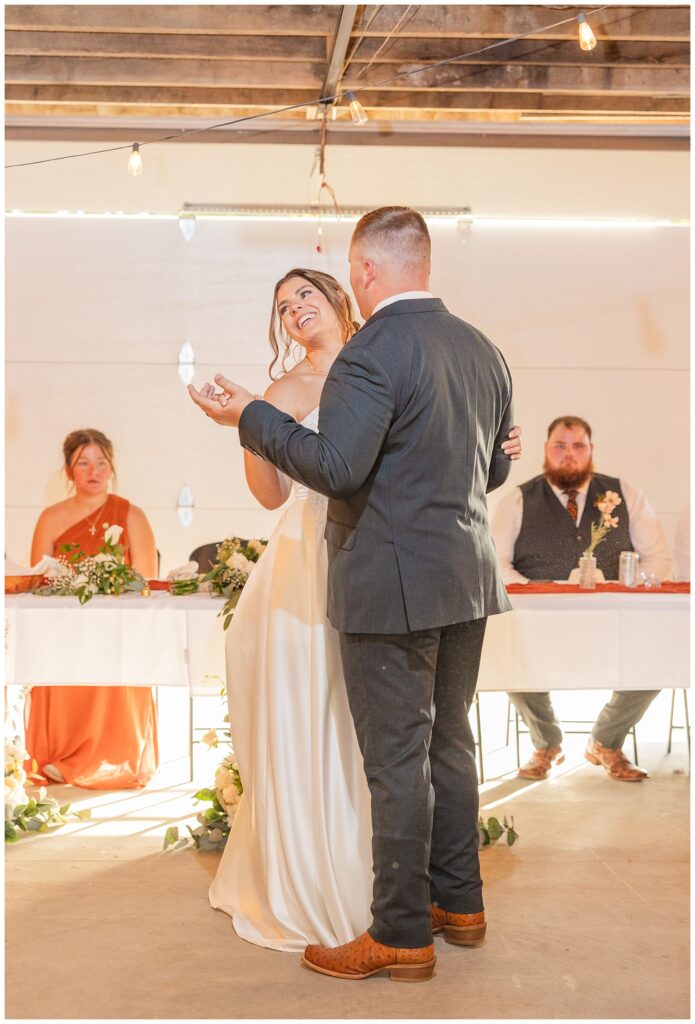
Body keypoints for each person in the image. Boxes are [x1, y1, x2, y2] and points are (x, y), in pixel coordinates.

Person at [190, 206, 516, 983]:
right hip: (465, 576)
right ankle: (459, 905)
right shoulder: (482, 349)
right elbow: (493, 470)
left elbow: (336, 469)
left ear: (363, 272)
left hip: (391, 580)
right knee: (449, 743)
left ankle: (399, 933)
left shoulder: (372, 352)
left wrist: (249, 415)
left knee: (396, 759)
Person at [491, 414, 671, 783]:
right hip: (540, 623)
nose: (569, 454)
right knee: (509, 656)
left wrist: (628, 593)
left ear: (591, 450)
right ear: (546, 450)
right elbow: (496, 562)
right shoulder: (518, 500)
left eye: (578, 446)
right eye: (560, 446)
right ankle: (547, 743)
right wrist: (534, 594)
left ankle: (606, 741)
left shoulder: (626, 494)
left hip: (614, 620)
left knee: (658, 659)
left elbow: (657, 558)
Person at [25, 429, 159, 789]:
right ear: (69, 471)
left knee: (114, 656)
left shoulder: (131, 515)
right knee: (56, 654)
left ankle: (113, 756)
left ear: (112, 467)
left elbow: (146, 578)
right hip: (65, 628)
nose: (93, 471)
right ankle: (62, 753)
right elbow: (39, 579)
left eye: (101, 462)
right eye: (83, 463)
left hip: (117, 629)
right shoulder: (51, 517)